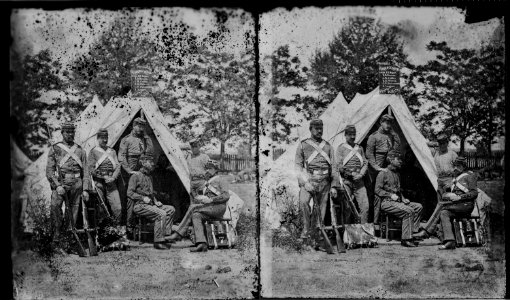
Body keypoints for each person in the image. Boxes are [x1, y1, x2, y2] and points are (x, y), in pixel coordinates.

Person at [413, 157, 478, 250]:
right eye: (454, 166)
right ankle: (450, 241)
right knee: (444, 213)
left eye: (458, 166)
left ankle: (426, 232)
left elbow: (474, 193)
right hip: (457, 205)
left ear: (464, 166)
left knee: (441, 204)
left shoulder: (470, 176)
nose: (455, 168)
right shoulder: (455, 177)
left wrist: (459, 197)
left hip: (466, 205)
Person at [166, 159, 230, 252]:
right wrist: (199, 197)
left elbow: (226, 196)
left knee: (192, 207)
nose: (207, 170)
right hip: (210, 208)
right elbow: (197, 194)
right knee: (196, 215)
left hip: (219, 208)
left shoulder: (221, 180)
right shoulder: (207, 182)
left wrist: (211, 199)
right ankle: (201, 244)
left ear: (216, 169)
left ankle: (178, 234)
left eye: (210, 168)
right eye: (206, 168)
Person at [295, 119, 339, 242]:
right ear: (310, 129)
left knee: (321, 208)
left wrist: (334, 185)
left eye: (321, 128)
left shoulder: (328, 146)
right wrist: (304, 183)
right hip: (309, 180)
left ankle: (316, 232)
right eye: (316, 128)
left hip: (325, 182)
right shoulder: (303, 145)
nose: (319, 131)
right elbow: (297, 167)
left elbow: (334, 167)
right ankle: (306, 229)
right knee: (303, 202)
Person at [46, 121, 90, 244]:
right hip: (61, 182)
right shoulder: (55, 149)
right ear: (62, 133)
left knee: (73, 211)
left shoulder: (81, 150)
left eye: (72, 132)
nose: (70, 134)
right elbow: (49, 171)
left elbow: (86, 171)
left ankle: (69, 238)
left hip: (77, 184)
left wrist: (85, 189)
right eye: (67, 132)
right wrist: (57, 185)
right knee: (55, 207)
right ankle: (56, 236)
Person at [375, 150, 423, 247]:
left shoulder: (397, 174)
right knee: (408, 211)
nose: (401, 161)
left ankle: (412, 233)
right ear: (391, 160)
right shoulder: (383, 173)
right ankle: (406, 239)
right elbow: (377, 190)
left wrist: (403, 198)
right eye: (398, 159)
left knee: (418, 207)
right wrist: (389, 195)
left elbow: (398, 191)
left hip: (398, 201)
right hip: (387, 202)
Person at [87, 128, 127, 242]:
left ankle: (117, 235)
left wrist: (113, 177)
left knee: (118, 208)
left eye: (106, 138)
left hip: (111, 182)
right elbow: (91, 168)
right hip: (99, 182)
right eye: (102, 138)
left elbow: (118, 166)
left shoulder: (112, 151)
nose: (105, 140)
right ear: (98, 138)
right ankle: (102, 237)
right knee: (101, 209)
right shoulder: (93, 152)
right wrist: (102, 177)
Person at [128, 154, 175, 250]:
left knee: (171, 209)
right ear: (143, 163)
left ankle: (165, 236)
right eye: (150, 162)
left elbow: (151, 193)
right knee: (161, 214)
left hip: (150, 204)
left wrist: (156, 201)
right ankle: (158, 242)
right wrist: (142, 198)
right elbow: (129, 193)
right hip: (139, 205)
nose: (153, 164)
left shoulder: (150, 177)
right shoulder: (135, 176)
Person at [118, 117, 154, 233]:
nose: (140, 129)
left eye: (142, 127)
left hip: (141, 173)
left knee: (145, 196)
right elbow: (121, 157)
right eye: (138, 126)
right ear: (133, 126)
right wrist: (128, 170)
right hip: (129, 173)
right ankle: (128, 226)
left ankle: (142, 225)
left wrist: (147, 137)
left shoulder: (144, 139)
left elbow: (150, 152)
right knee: (129, 199)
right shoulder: (126, 139)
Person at [366, 114, 400, 222]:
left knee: (385, 195)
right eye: (386, 122)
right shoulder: (373, 136)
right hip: (374, 171)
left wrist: (393, 132)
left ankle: (380, 221)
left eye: (390, 123)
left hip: (385, 170)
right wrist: (376, 168)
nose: (388, 125)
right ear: (381, 122)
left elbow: (397, 144)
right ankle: (373, 222)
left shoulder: (390, 136)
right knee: (374, 196)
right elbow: (369, 154)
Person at [334, 124, 369, 223]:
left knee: (365, 206)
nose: (353, 137)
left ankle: (363, 231)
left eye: (354, 134)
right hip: (347, 181)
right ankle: (346, 233)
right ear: (345, 135)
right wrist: (350, 174)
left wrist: (361, 174)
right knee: (347, 207)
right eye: (350, 135)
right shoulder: (341, 148)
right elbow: (339, 166)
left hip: (359, 181)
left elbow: (365, 163)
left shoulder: (360, 148)